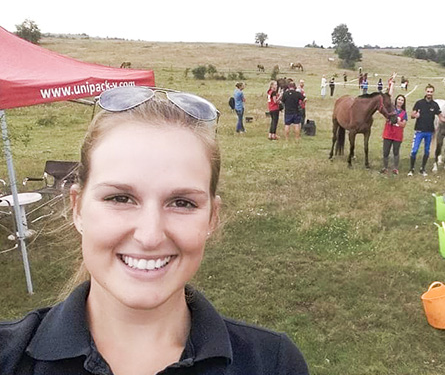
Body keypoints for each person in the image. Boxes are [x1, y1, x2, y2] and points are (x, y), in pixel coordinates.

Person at [0, 86, 309, 375]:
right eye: (120, 198)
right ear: (77, 208)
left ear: (212, 218)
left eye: (182, 203)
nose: (150, 237)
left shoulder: (273, 363)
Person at [408, 84, 445, 176]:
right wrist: (415, 115)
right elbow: (412, 115)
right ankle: (411, 169)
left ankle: (422, 169)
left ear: (433, 92)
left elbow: (441, 117)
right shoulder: (419, 103)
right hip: (419, 131)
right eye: (428, 91)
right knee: (414, 150)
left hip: (429, 132)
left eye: (431, 92)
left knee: (427, 151)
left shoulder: (435, 105)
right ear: (425, 92)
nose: (429, 93)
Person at [381, 94, 408, 175]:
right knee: (386, 151)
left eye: (402, 100)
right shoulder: (391, 110)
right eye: (399, 99)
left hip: (397, 135)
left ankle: (395, 168)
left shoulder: (404, 113)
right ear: (396, 100)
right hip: (388, 133)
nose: (400, 101)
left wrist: (397, 121)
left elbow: (403, 125)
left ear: (404, 102)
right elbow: (386, 118)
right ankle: (385, 167)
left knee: (396, 152)